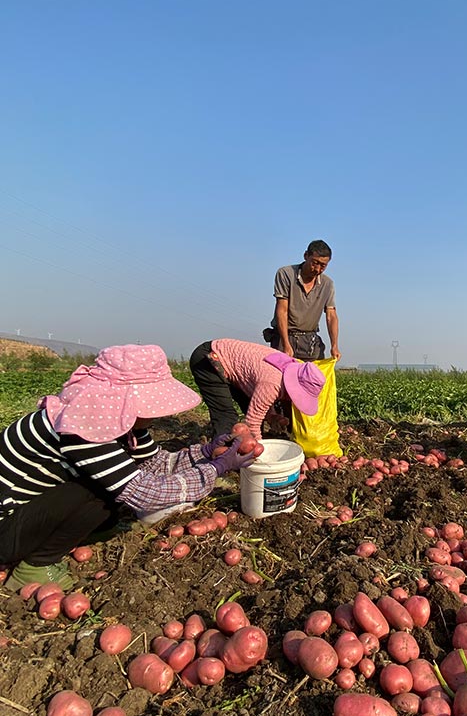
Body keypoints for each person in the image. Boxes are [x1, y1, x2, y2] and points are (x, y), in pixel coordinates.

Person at [0, 345, 255, 592]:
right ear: (122, 399)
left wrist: (207, 452)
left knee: (109, 493)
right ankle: (35, 566)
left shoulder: (117, 422)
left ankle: (53, 539)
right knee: (102, 490)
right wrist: (216, 469)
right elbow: (144, 492)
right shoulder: (83, 427)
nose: (158, 415)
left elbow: (156, 463)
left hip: (28, 512)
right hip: (5, 526)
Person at [190, 339, 326, 439]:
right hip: (209, 360)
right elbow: (252, 421)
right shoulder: (273, 383)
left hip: (231, 366)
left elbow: (259, 396)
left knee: (249, 407)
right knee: (226, 416)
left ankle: (236, 451)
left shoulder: (288, 367)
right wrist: (260, 454)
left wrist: (272, 417)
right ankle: (221, 460)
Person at [264, 239, 341, 361]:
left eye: (323, 265)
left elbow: (331, 316)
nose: (317, 269)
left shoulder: (327, 284)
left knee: (313, 378)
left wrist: (334, 345)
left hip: (310, 339)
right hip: (285, 336)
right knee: (281, 377)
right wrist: (285, 344)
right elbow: (282, 310)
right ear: (306, 256)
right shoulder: (286, 274)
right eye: (315, 263)